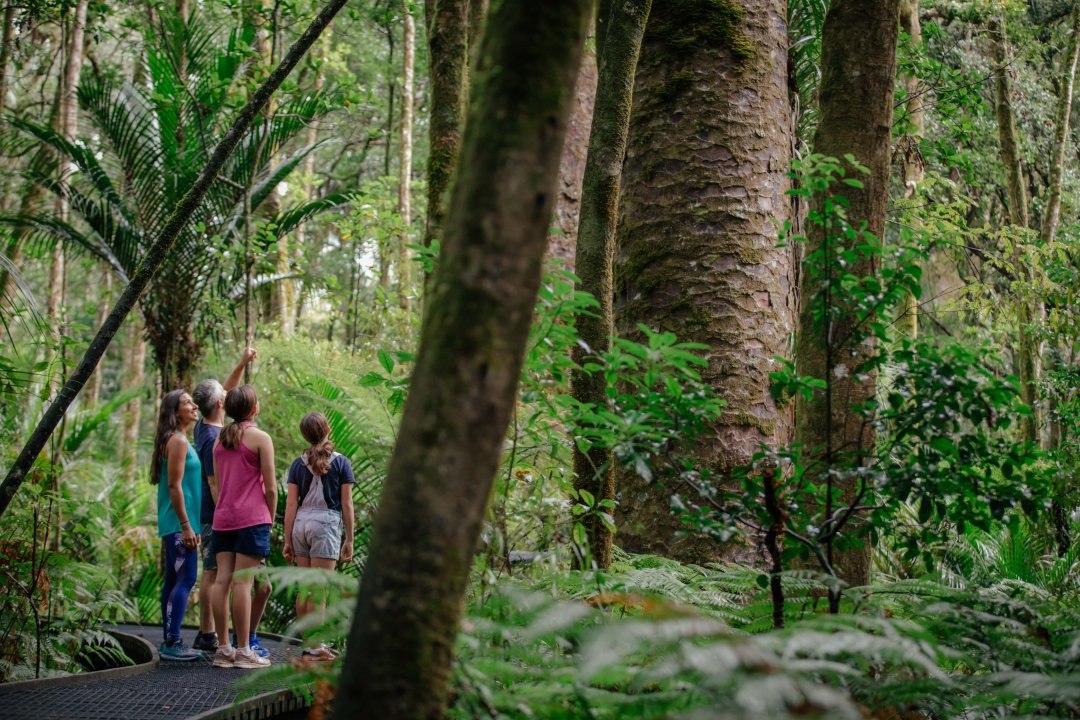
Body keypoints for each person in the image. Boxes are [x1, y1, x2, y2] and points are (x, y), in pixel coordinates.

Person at [190, 348, 272, 657]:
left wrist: (242, 362)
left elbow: (225, 394)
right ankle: (210, 634)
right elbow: (214, 483)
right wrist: (229, 508)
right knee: (218, 576)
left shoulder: (212, 428)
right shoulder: (218, 438)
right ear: (220, 404)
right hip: (224, 514)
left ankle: (220, 641)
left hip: (223, 515)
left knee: (221, 577)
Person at [209, 385, 277, 669]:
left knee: (222, 580)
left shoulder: (218, 442)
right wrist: (270, 519)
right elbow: (271, 488)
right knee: (243, 583)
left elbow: (220, 484)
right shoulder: (261, 438)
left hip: (223, 519)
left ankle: (223, 649)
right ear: (253, 409)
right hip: (252, 518)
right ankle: (244, 651)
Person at [283, 413, 355, 661]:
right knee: (319, 590)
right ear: (328, 429)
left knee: (306, 588)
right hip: (325, 525)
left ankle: (309, 644)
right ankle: (316, 647)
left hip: (301, 523)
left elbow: (291, 505)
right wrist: (350, 539)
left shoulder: (297, 464)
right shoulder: (341, 463)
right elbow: (347, 504)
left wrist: (287, 540)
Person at [151, 389, 203, 661]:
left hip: (179, 523)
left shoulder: (177, 440)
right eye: (187, 403)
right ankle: (173, 641)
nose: (194, 406)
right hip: (179, 524)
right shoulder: (178, 441)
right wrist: (186, 525)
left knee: (173, 580)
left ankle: (169, 639)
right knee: (186, 579)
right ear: (175, 411)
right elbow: (174, 485)